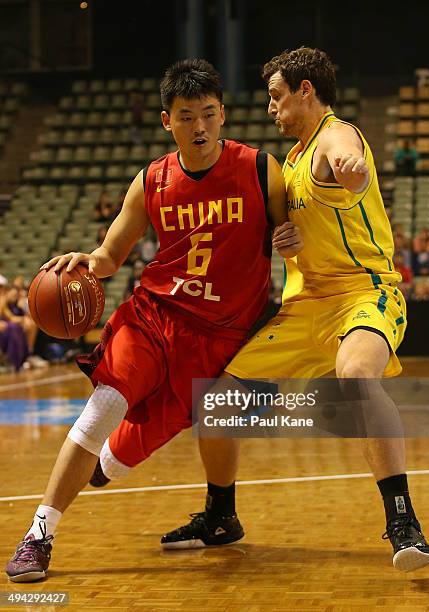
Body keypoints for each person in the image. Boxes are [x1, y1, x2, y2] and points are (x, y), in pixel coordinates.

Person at [5, 58, 302, 583]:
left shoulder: (261, 169)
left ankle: (141, 479)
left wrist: (292, 237)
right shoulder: (152, 181)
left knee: (122, 459)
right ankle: (38, 534)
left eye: (209, 114)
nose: (200, 127)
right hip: (154, 315)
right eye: (187, 116)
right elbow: (109, 255)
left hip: (219, 337)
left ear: (224, 114)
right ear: (168, 121)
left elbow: (293, 234)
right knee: (102, 407)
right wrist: (84, 262)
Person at [150, 47, 429, 572]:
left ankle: (402, 520)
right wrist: (288, 236)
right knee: (217, 403)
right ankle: (221, 516)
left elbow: (348, 158)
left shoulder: (333, 135)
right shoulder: (294, 162)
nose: (271, 109)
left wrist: (355, 171)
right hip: (305, 309)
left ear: (306, 92)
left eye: (277, 97)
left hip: (363, 295)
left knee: (355, 375)